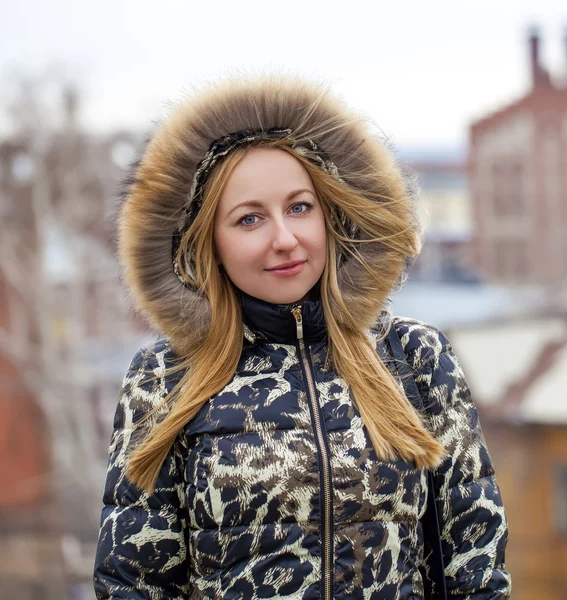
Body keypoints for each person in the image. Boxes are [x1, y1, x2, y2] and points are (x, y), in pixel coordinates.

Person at [93, 75, 511, 599]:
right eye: (249, 219)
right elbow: (134, 583)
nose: (285, 239)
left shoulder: (414, 358)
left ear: (329, 213)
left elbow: (475, 564)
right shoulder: (164, 380)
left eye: (299, 207)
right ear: (207, 242)